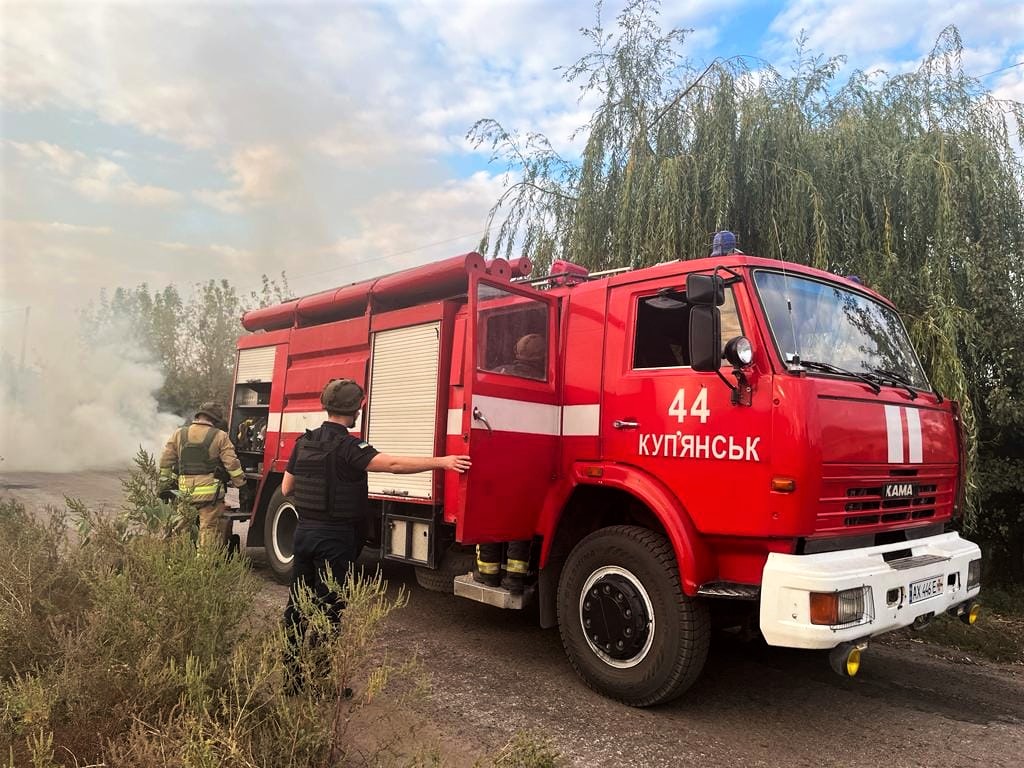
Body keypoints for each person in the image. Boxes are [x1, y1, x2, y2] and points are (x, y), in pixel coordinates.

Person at [281, 377, 471, 691]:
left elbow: (287, 487)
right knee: (330, 608)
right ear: (358, 407)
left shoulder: (304, 442)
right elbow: (393, 464)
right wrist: (443, 462)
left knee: (298, 605)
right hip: (335, 539)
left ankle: (292, 679)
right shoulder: (349, 447)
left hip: (304, 535)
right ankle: (321, 683)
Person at [159, 402, 246, 547]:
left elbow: (166, 461)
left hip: (185, 493)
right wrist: (241, 485)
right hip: (210, 496)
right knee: (209, 531)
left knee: (182, 529)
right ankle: (204, 561)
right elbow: (232, 464)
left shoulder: (179, 433)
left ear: (199, 416)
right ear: (215, 419)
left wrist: (164, 485)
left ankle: (180, 558)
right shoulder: (220, 436)